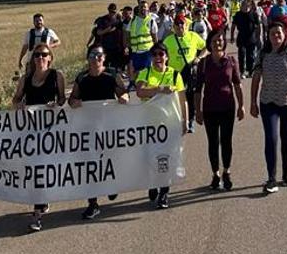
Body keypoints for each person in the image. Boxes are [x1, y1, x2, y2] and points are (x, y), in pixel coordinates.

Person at [68, 46, 128, 219]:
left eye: (99, 55)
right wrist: (74, 102)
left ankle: (112, 185)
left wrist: (124, 97)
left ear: (104, 57)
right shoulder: (82, 77)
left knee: (110, 160)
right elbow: (72, 98)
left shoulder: (111, 75)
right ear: (88, 59)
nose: (96, 59)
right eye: (93, 55)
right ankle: (92, 203)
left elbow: (123, 93)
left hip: (109, 127)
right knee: (90, 167)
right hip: (88, 129)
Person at [12, 44, 66, 232]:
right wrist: (18, 105)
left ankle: (41, 204)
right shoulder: (26, 78)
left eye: (44, 55)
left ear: (50, 58)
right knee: (36, 168)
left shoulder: (56, 75)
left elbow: (62, 99)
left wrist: (56, 104)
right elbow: (16, 99)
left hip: (52, 130)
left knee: (45, 167)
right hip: (31, 131)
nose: (40, 58)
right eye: (36, 55)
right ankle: (39, 207)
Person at [250, 22, 287, 194]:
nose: (276, 36)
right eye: (273, 33)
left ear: (284, 34)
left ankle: (286, 173)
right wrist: (252, 101)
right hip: (269, 103)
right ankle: (271, 178)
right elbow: (256, 77)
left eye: (279, 33)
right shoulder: (263, 53)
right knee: (272, 138)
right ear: (268, 35)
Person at [135, 46, 185, 209]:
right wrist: (159, 90)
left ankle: (164, 192)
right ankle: (153, 183)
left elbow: (182, 99)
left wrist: (184, 120)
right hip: (149, 126)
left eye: (161, 54)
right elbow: (140, 92)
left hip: (168, 126)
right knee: (147, 158)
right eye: (154, 54)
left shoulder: (175, 74)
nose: (158, 57)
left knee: (165, 159)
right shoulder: (146, 73)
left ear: (167, 57)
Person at [194, 30, 244, 191]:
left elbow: (237, 84)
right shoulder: (204, 63)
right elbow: (197, 89)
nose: (218, 43)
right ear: (209, 43)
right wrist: (198, 111)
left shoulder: (231, 61)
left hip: (227, 107)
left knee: (226, 141)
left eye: (220, 40)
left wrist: (242, 105)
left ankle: (226, 171)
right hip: (209, 108)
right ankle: (215, 173)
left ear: (224, 42)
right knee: (213, 142)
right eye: (215, 40)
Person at [163, 15, 206, 133]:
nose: (180, 26)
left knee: (190, 96)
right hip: (175, 74)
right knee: (174, 97)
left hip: (189, 72)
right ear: (174, 27)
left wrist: (199, 57)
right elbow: (162, 54)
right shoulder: (168, 40)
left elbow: (205, 47)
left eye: (182, 23)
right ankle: (176, 120)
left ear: (186, 25)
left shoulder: (193, 36)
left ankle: (190, 120)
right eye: (177, 24)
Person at [231, 0, 262, 77]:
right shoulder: (238, 15)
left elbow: (258, 26)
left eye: (247, 6)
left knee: (250, 56)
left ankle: (250, 71)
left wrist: (258, 37)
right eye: (243, 6)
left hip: (251, 38)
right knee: (241, 54)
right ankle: (242, 71)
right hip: (241, 37)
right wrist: (232, 36)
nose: (245, 7)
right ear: (241, 6)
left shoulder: (253, 14)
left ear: (250, 6)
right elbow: (233, 26)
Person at [128, 2, 157, 79]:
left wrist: (156, 51)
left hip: (147, 51)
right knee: (135, 73)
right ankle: (136, 86)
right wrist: (127, 47)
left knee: (146, 73)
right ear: (138, 8)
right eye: (141, 7)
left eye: (145, 7)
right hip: (135, 52)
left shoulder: (151, 21)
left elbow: (155, 38)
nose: (143, 8)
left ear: (148, 9)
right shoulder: (133, 21)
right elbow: (127, 35)